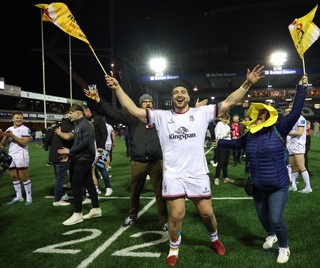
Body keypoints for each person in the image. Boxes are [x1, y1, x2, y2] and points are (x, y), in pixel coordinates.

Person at [105, 65, 265, 267]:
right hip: (173, 174)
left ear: (188, 97)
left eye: (183, 92)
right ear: (172, 98)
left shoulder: (202, 113)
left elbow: (230, 102)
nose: (179, 95)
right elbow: (133, 110)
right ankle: (174, 247)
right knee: (177, 214)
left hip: (197, 173)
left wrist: (248, 83)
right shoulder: (161, 116)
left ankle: (215, 238)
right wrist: (118, 87)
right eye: (175, 92)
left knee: (207, 213)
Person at [216, 75, 308, 264]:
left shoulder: (279, 129)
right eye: (258, 114)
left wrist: (301, 89)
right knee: (263, 219)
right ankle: (271, 235)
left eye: (263, 114)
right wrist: (219, 142)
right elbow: (236, 144)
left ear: (269, 117)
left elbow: (295, 112)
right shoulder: (250, 135)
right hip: (258, 186)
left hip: (277, 186)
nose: (259, 116)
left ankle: (284, 247)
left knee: (276, 218)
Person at [83, 89, 168, 230]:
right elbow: (112, 112)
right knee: (135, 191)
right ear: (139, 105)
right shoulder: (132, 117)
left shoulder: (160, 117)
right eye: (144, 102)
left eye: (149, 101)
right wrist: (99, 100)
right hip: (138, 161)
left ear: (153, 104)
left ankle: (163, 220)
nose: (147, 104)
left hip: (155, 162)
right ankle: (132, 215)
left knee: (160, 193)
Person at [56, 104, 102, 225]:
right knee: (88, 183)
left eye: (71, 113)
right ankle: (96, 209)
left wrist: (70, 151)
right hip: (80, 157)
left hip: (85, 157)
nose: (69, 115)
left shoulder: (86, 124)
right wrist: (70, 153)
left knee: (75, 183)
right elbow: (75, 140)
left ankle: (78, 213)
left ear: (78, 113)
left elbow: (86, 142)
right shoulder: (77, 125)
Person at [1, 112, 32, 206]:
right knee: (14, 176)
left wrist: (12, 136)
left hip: (21, 155)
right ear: (12, 119)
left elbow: (24, 143)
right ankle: (19, 197)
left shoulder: (25, 129)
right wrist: (6, 136)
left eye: (21, 118)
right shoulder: (9, 129)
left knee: (24, 176)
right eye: (17, 118)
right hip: (11, 156)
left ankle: (29, 197)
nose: (19, 119)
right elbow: (3, 144)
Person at [44, 113, 74, 206]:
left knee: (58, 177)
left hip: (53, 155)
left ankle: (62, 194)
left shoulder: (55, 126)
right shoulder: (70, 127)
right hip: (62, 155)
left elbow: (47, 140)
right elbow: (72, 140)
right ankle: (57, 200)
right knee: (60, 178)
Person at [83, 106, 113, 197]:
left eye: (84, 112)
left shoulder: (98, 119)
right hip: (89, 149)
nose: (83, 114)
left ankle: (108, 187)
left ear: (88, 111)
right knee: (92, 169)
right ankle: (96, 188)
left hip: (100, 148)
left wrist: (101, 146)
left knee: (101, 167)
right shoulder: (84, 120)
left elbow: (104, 133)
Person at [286, 104, 312, 193]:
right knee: (293, 166)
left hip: (298, 144)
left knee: (301, 166)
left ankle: (308, 187)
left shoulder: (301, 119)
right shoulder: (292, 120)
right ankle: (294, 186)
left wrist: (288, 132)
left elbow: (300, 132)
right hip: (292, 144)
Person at [214, 112, 234, 186]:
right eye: (225, 119)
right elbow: (218, 137)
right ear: (221, 118)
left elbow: (229, 137)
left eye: (227, 119)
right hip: (222, 146)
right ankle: (216, 178)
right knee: (221, 162)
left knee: (226, 162)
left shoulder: (228, 126)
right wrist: (226, 133)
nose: (226, 120)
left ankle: (225, 177)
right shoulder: (218, 126)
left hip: (228, 145)